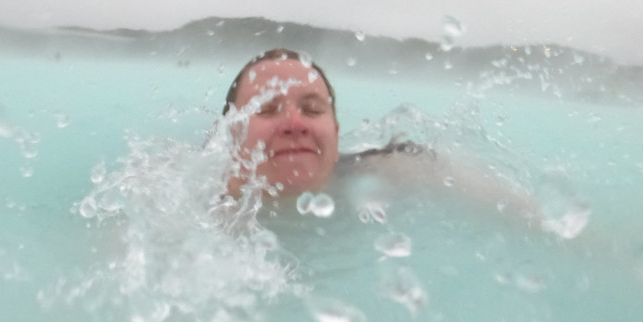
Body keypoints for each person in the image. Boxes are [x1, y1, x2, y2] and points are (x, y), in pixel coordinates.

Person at [222, 48, 543, 223]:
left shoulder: (386, 168)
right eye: (267, 109)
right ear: (230, 134)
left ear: (334, 133)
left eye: (312, 109)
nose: (294, 123)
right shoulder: (190, 197)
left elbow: (526, 212)